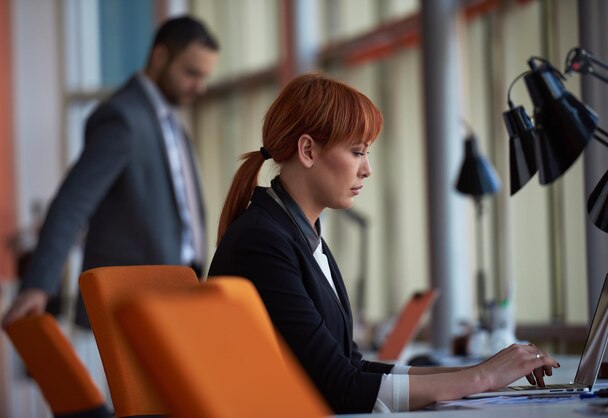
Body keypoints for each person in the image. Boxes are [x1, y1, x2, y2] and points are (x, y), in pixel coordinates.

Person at [208, 73, 559, 413]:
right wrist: (481, 377)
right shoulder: (264, 242)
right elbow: (341, 387)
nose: (367, 169)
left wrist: (481, 373)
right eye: (358, 152)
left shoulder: (297, 232)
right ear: (307, 150)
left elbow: (351, 366)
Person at [2, 15, 219, 330]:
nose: (200, 88)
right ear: (159, 57)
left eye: (205, 77)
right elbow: (73, 202)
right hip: (134, 303)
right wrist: (38, 284)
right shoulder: (122, 116)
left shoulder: (169, 121)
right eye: (191, 73)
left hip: (178, 295)